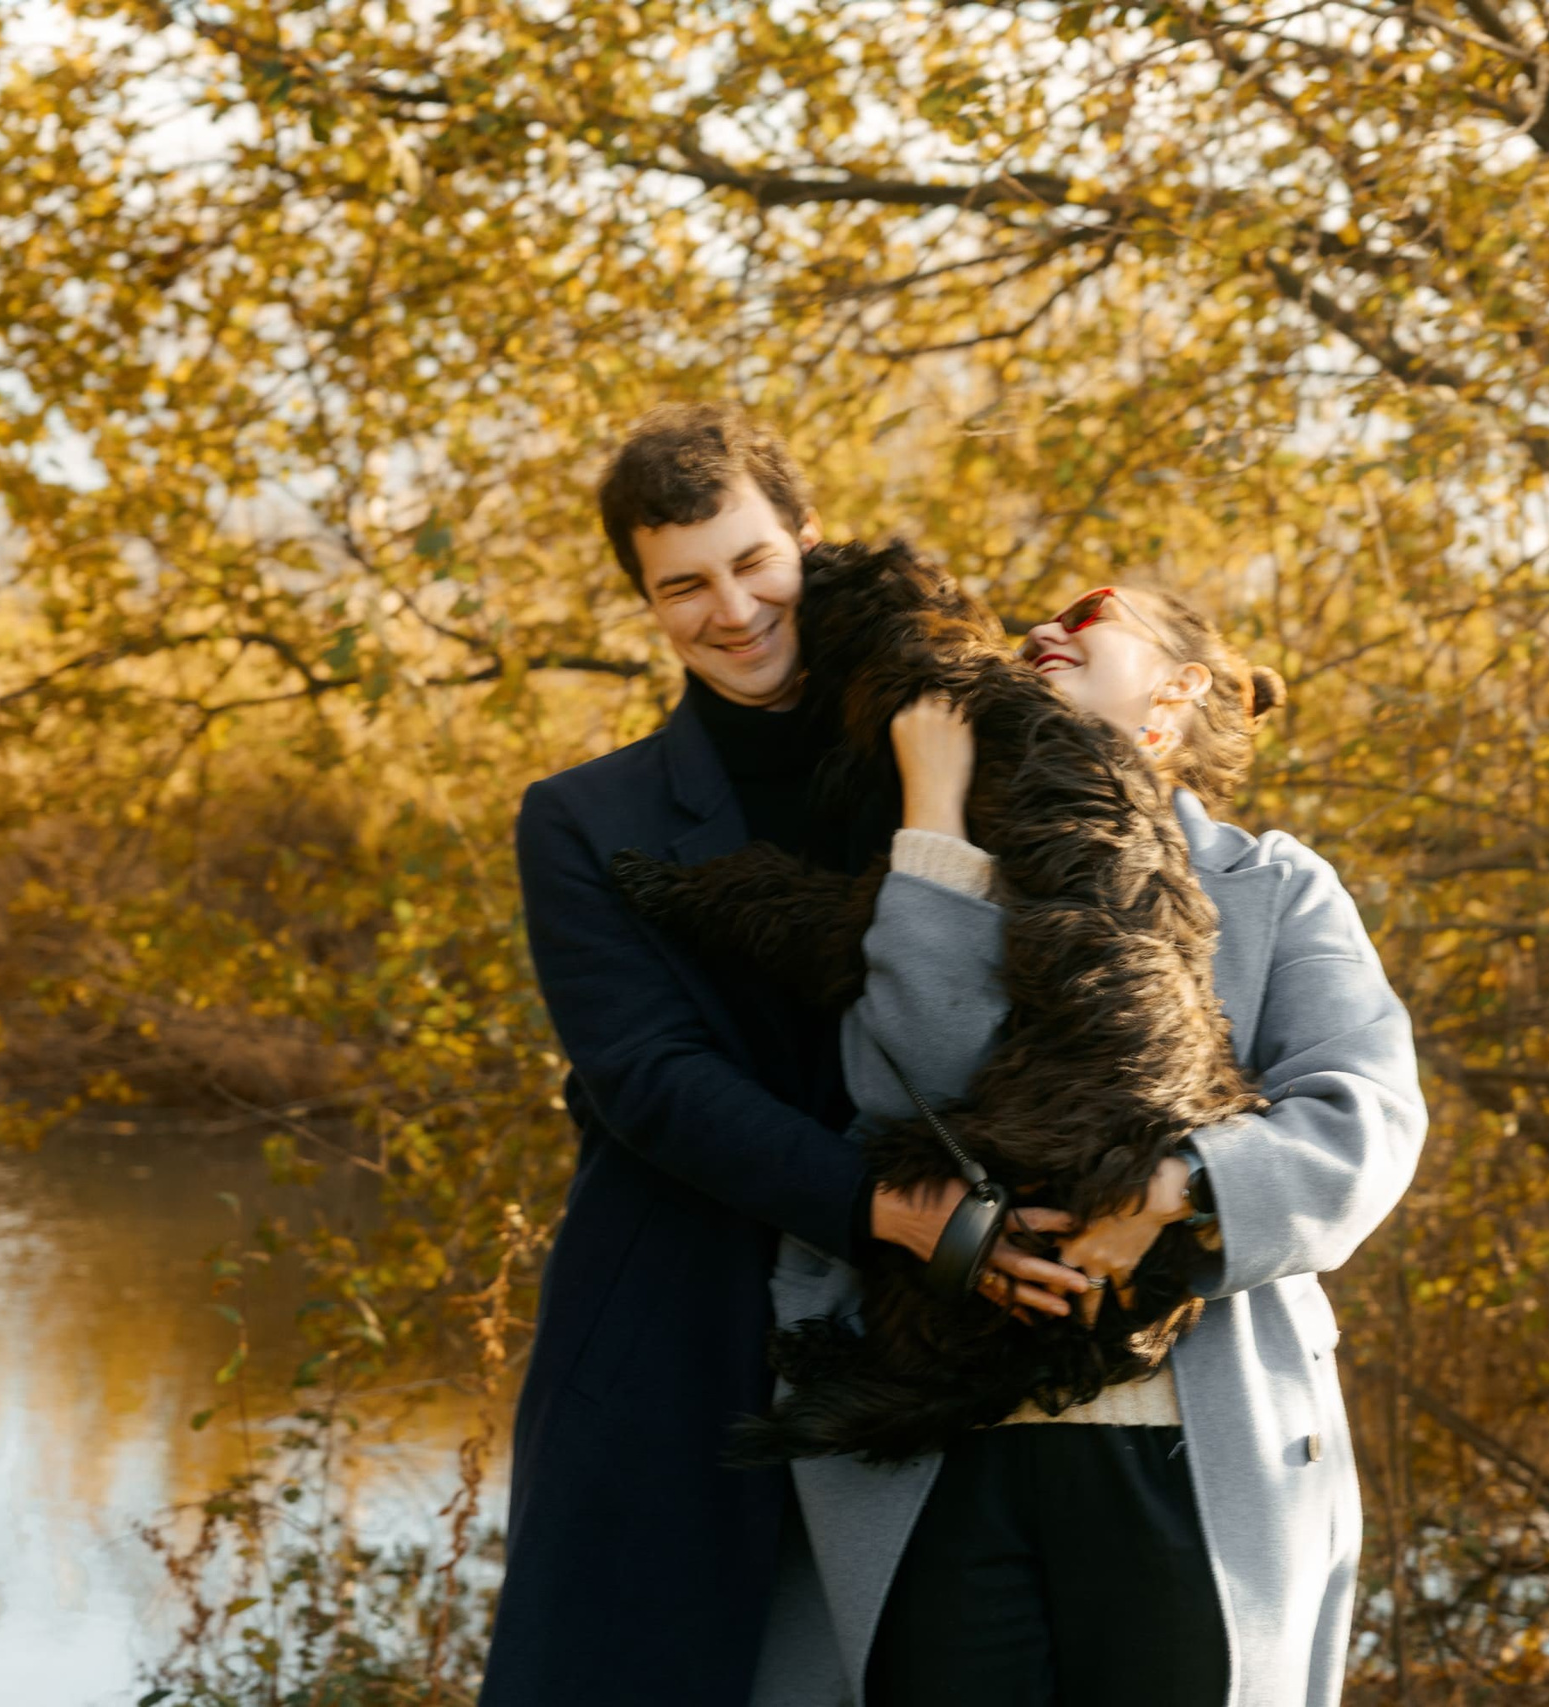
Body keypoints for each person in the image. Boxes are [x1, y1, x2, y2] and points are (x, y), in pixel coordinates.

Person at [483, 405, 1086, 1706]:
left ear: (809, 541)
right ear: (645, 600)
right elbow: (649, 1079)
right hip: (675, 1320)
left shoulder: (947, 757)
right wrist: (898, 1211)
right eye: (683, 583)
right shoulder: (583, 820)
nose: (734, 608)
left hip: (930, 1329)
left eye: (756, 562)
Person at [752, 585, 1427, 1707]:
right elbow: (902, 1091)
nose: (1042, 630)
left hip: (1194, 1449)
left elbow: (1365, 1121)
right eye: (1029, 632)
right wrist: (932, 820)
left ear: (1178, 688)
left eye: (1089, 610)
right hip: (938, 1446)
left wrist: (1170, 1189)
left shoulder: (1272, 889)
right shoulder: (938, 868)